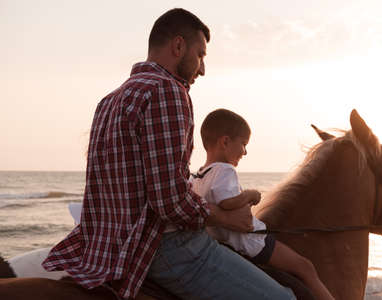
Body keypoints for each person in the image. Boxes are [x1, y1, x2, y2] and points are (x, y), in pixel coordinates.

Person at [42, 8, 297, 300]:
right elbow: (170, 202)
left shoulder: (110, 100)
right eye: (200, 55)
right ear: (178, 46)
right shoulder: (168, 91)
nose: (202, 69)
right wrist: (229, 220)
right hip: (164, 248)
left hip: (108, 247)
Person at [191, 108, 335, 300]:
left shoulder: (198, 177)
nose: (245, 152)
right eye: (243, 144)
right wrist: (250, 195)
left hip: (225, 245)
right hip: (253, 243)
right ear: (225, 142)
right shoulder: (225, 171)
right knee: (305, 267)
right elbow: (227, 203)